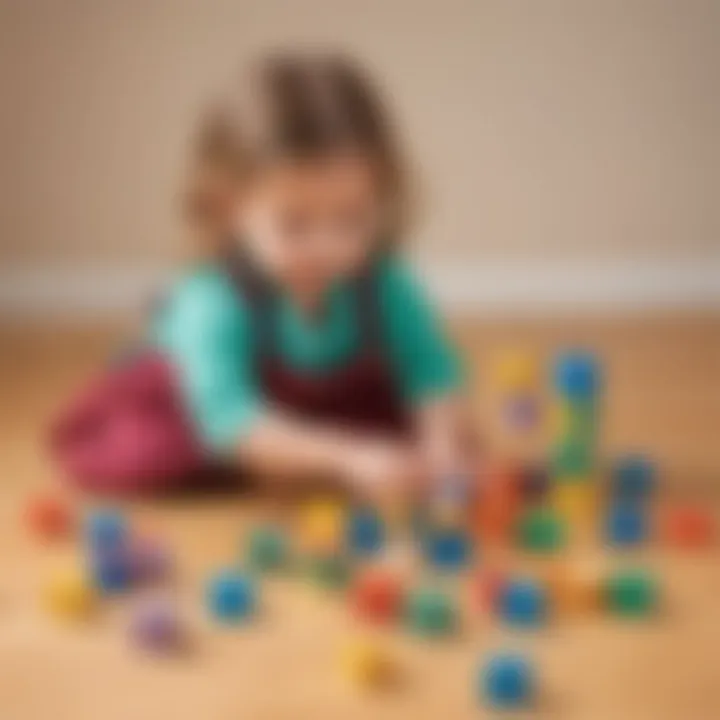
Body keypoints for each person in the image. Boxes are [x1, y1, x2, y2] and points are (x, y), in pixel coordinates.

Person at [52, 51, 477, 499]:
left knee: (436, 429)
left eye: (352, 218)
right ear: (230, 207)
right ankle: (292, 454)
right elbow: (231, 421)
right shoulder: (211, 301)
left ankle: (306, 448)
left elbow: (430, 371)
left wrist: (442, 447)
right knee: (153, 451)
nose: (327, 248)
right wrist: (348, 456)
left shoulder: (386, 283)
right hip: (204, 410)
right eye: (296, 224)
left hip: (318, 410)